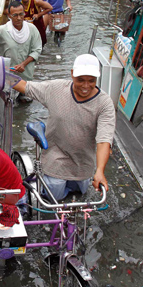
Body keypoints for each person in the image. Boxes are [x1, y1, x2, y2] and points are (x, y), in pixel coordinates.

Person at [12, 54, 116, 201]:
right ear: (72, 74)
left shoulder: (104, 104)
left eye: (91, 81)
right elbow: (26, 87)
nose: (86, 86)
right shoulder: (56, 89)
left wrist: (99, 171)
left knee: (79, 196)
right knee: (53, 198)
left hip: (83, 162)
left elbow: (104, 139)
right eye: (80, 80)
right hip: (56, 158)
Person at [0, 1, 42, 83]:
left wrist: (23, 64)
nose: (19, 18)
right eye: (15, 15)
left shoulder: (32, 29)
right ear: (9, 16)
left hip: (26, 78)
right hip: (7, 77)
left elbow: (36, 50)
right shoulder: (2, 31)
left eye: (21, 14)